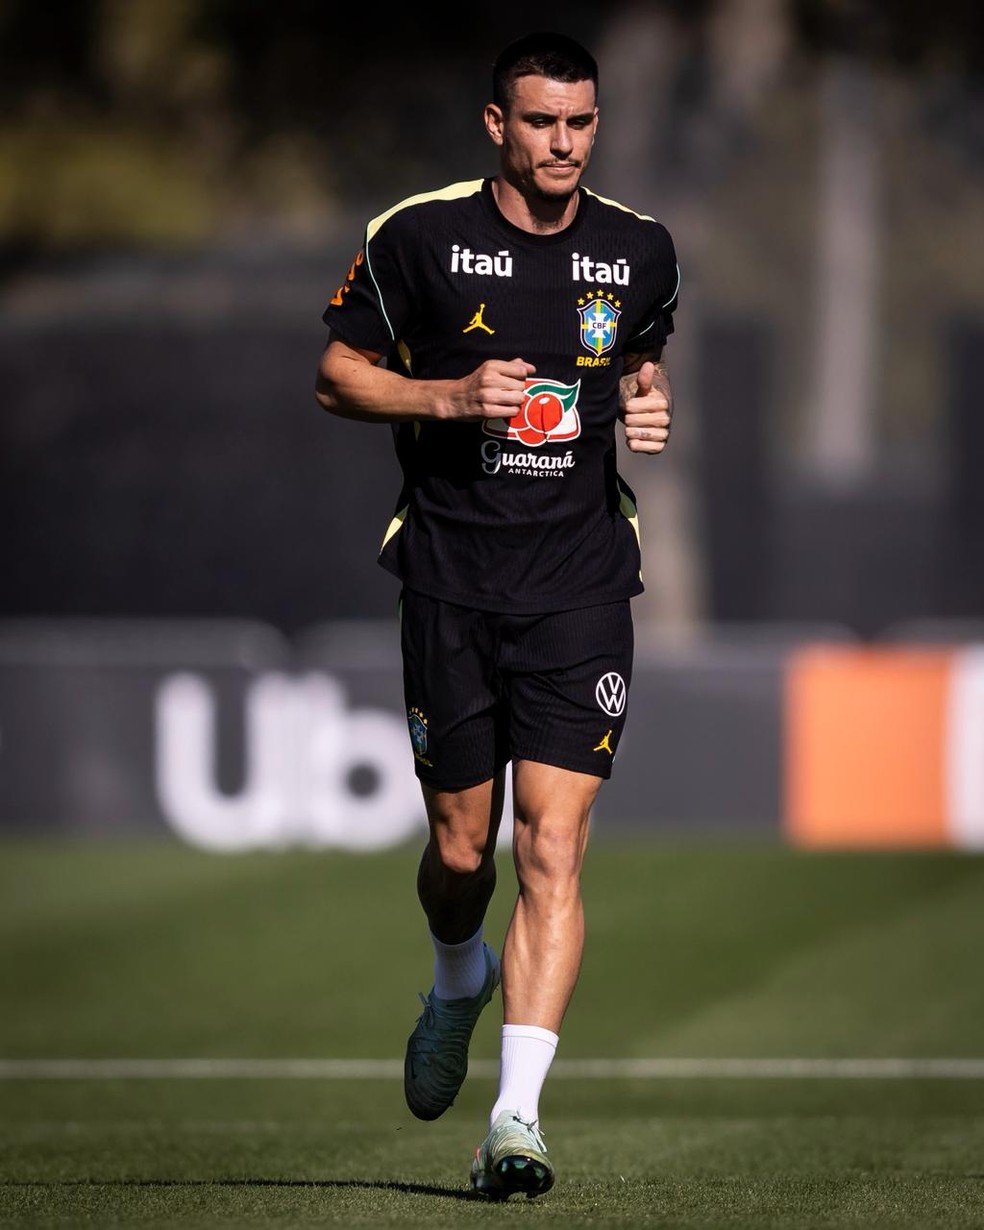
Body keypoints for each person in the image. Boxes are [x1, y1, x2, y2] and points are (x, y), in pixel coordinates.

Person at [315, 30, 679, 1200]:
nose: (563, 144)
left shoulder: (641, 249)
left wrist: (651, 399)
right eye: (540, 122)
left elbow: (637, 362)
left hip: (581, 584)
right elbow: (336, 375)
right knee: (463, 854)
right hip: (452, 581)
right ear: (497, 126)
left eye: (580, 123)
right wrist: (447, 395)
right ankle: (455, 975)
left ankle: (515, 1122)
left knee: (552, 847)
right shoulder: (417, 236)